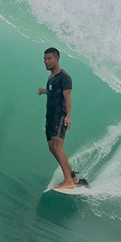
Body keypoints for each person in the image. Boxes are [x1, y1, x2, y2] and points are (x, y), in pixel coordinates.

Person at [37, 47, 82, 189]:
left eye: (49, 59)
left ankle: (68, 181)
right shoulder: (51, 78)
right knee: (52, 148)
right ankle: (73, 176)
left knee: (57, 146)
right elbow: (52, 93)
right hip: (49, 117)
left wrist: (68, 116)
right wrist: (44, 91)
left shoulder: (64, 77)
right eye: (44, 59)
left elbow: (67, 97)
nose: (46, 62)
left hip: (59, 116)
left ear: (57, 58)